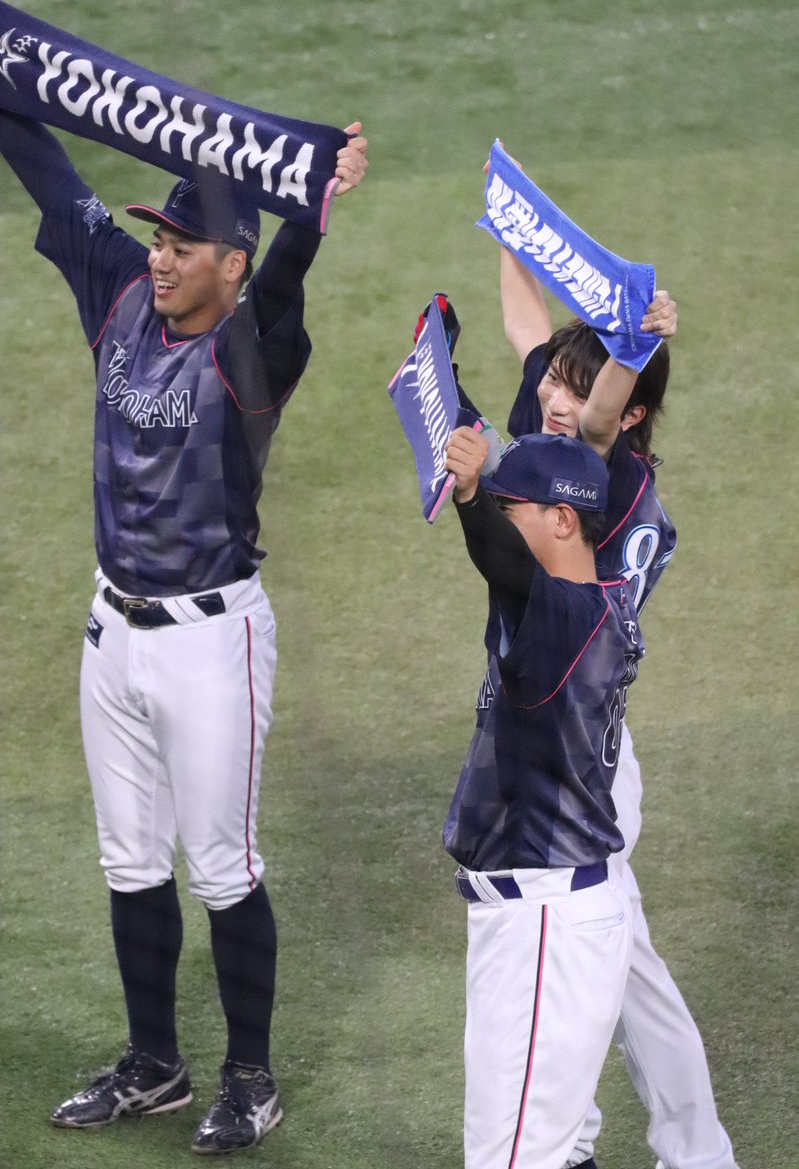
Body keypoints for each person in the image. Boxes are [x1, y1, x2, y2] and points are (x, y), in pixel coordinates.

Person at [0, 107, 368, 1155]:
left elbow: (285, 282)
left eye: (182, 244)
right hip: (110, 630)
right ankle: (153, 1065)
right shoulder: (121, 294)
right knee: (129, 859)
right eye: (157, 238)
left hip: (212, 643)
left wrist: (312, 204)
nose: (159, 257)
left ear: (231, 264)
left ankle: (249, 1079)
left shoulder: (253, 352)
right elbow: (51, 177)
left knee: (221, 866)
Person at [497, 217, 741, 1169]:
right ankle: (691, 1151)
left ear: (630, 412)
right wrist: (510, 229)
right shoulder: (569, 432)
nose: (555, 399)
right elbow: (528, 336)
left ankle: (583, 1143)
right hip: (569, 735)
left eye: (580, 385)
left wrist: (636, 344)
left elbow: (594, 412)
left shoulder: (601, 471)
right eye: (556, 383)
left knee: (591, 964)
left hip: (581, 756)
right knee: (628, 973)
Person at [442, 426, 643, 1169]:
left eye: (510, 508)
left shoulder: (567, 618)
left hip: (545, 922)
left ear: (562, 520)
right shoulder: (591, 601)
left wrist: (469, 499)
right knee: (551, 1150)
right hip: (546, 913)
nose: (502, 521)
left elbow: (500, 560)